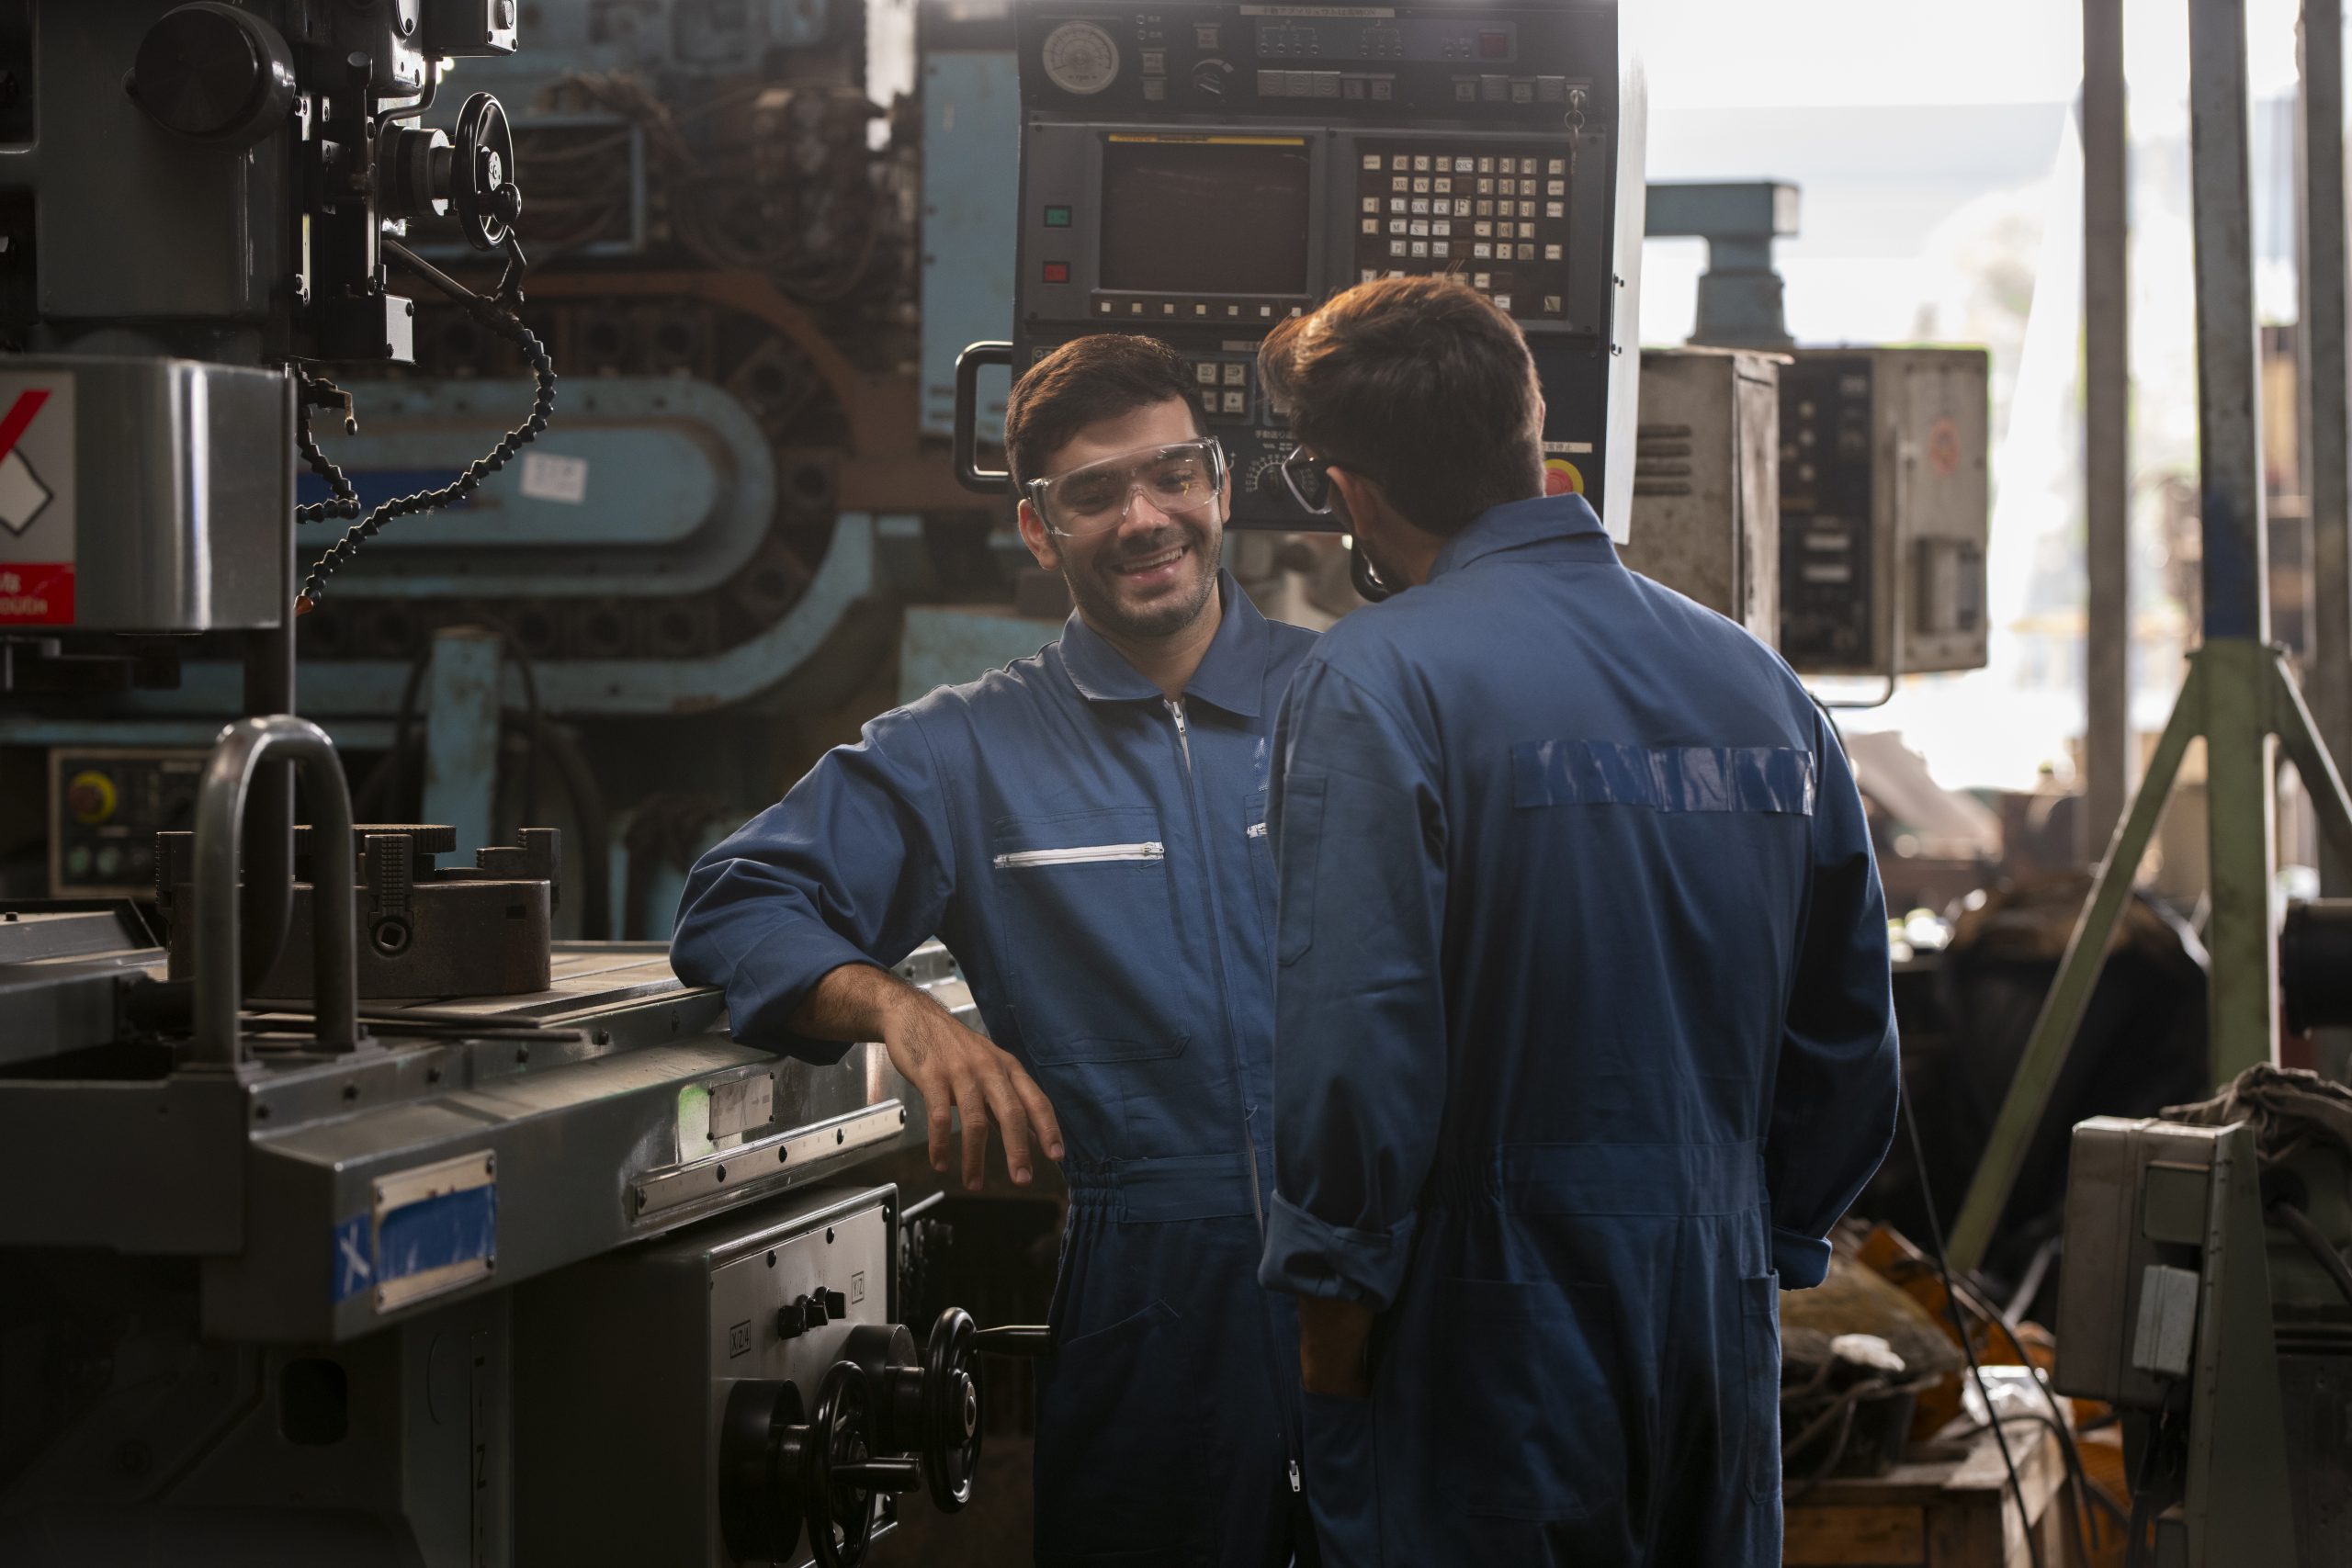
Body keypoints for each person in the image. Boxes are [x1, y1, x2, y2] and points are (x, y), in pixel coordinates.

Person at [1251, 276, 1900, 1566]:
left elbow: (1356, 1041)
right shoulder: (1762, 687)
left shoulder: (1375, 683)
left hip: (1479, 1326)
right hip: (1716, 1310)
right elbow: (1848, 1031)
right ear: (1534, 423)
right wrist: (1755, 1239)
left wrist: (1332, 1314)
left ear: (1348, 492)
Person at [671, 333, 1320, 1567]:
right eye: (1094, 495)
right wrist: (900, 1012)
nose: (1146, 517)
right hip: (1150, 1305)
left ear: (1220, 485)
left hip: (1382, 1277)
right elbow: (736, 901)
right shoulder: (965, 752)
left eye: (1173, 474)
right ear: (1038, 529)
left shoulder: (1354, 701)